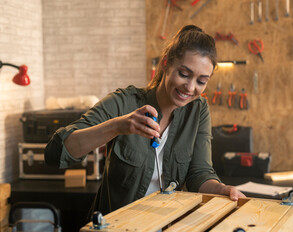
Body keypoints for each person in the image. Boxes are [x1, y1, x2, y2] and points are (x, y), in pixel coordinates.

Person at [44, 24, 245, 217]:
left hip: (167, 223)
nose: (190, 88)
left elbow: (199, 174)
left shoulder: (198, 109)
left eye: (202, 81)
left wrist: (222, 188)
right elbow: (55, 153)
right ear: (166, 63)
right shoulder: (123, 102)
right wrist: (118, 126)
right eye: (184, 74)